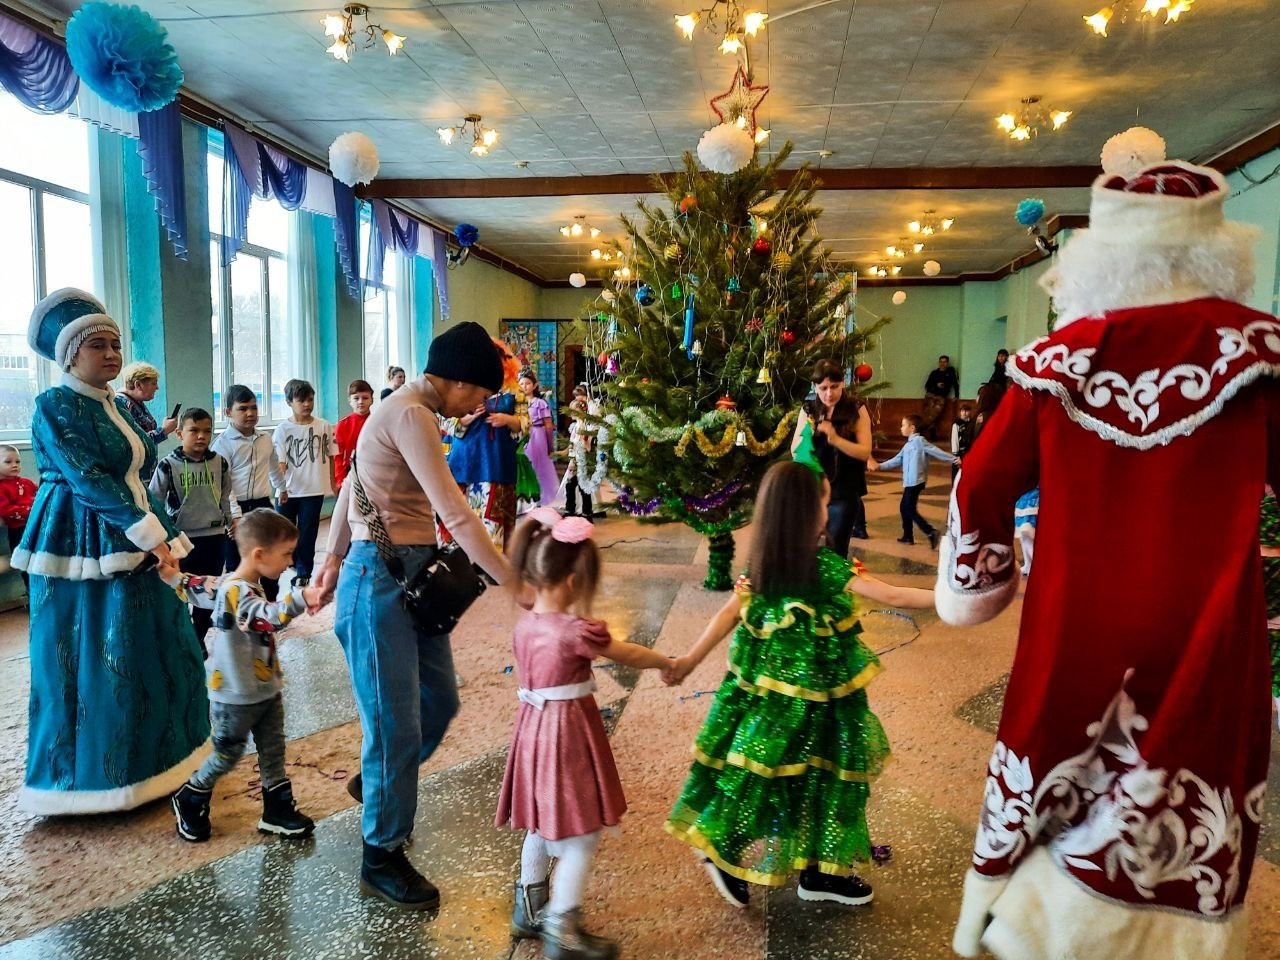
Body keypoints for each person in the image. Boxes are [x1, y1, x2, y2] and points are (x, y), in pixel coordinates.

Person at [939, 139, 1280, 959]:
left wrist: (977, 579)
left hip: (1077, 620)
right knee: (1192, 778)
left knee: (1057, 770)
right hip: (1211, 627)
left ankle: (1037, 924)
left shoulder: (1052, 364)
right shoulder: (1264, 355)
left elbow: (979, 485)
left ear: (1102, 254)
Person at [663, 460, 933, 909]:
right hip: (785, 713)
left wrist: (690, 661)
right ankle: (723, 853)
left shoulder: (767, 563)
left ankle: (819, 874)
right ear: (805, 513)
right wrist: (953, 595)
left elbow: (727, 613)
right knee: (773, 782)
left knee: (811, 782)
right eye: (823, 502)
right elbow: (894, 595)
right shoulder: (816, 565)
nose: (828, 509)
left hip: (819, 707)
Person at [314, 321, 515, 910]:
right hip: (378, 582)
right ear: (454, 380)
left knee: (439, 701)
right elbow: (454, 509)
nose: (480, 404)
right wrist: (515, 581)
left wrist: (328, 559)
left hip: (406, 578)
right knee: (395, 726)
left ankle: (378, 783)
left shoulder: (406, 410)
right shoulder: (411, 412)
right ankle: (382, 855)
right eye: (479, 392)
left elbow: (355, 484)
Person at [13, 289, 208, 815]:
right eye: (98, 345)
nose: (112, 354)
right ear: (70, 354)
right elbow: (87, 477)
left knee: (156, 642)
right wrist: (147, 531)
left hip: (128, 522)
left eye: (116, 344)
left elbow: (135, 474)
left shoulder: (116, 404)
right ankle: (93, 778)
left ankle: (164, 760)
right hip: (81, 534)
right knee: (99, 651)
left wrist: (161, 531)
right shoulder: (55, 404)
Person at [497, 508, 670, 959]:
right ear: (574, 581)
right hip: (565, 735)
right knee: (580, 835)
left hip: (531, 731)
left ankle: (530, 905)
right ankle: (562, 927)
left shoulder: (526, 624)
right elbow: (628, 653)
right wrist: (666, 662)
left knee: (539, 818)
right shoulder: (574, 631)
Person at [168, 509, 323, 843]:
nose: (288, 562)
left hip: (265, 689)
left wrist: (173, 577)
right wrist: (300, 598)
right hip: (235, 696)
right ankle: (191, 797)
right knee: (226, 754)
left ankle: (277, 811)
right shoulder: (238, 591)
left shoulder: (235, 585)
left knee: (273, 750)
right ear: (259, 554)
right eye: (285, 555)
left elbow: (199, 587)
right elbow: (267, 618)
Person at [150, 408, 235, 653]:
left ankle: (198, 638)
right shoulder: (168, 465)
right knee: (181, 591)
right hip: (181, 541)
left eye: (207, 431)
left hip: (214, 538)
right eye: (194, 431)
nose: (201, 436)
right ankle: (182, 637)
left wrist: (230, 522)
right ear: (179, 433)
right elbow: (154, 501)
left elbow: (226, 496)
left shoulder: (220, 462)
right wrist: (163, 537)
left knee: (207, 591)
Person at [440, 340, 522, 552]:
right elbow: (443, 421)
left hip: (496, 460)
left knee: (494, 513)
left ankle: (491, 561)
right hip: (463, 459)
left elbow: (527, 423)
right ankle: (458, 559)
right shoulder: (460, 384)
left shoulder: (514, 390)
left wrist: (507, 419)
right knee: (460, 512)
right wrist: (466, 418)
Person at [791, 359, 873, 552]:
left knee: (836, 549)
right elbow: (795, 451)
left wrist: (836, 439)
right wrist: (807, 436)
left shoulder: (856, 408)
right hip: (814, 489)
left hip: (844, 491)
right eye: (823, 388)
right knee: (804, 547)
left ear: (843, 382)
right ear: (815, 387)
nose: (829, 393)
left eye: (834, 387)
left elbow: (864, 452)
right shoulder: (809, 409)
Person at [212, 385, 284, 600]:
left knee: (270, 554)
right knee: (238, 561)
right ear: (228, 413)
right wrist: (235, 515)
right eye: (243, 409)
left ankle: (270, 605)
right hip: (237, 508)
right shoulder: (222, 445)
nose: (250, 413)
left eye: (253, 407)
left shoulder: (265, 438)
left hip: (263, 505)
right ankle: (242, 608)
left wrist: (281, 488)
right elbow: (225, 486)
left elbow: (273, 465)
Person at [273, 379, 335, 588]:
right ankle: (292, 562)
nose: (307, 404)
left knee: (309, 532)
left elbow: (333, 456)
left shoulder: (324, 426)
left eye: (310, 400)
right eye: (301, 400)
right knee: (284, 533)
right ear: (290, 402)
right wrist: (281, 488)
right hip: (288, 491)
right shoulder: (282, 429)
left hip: (313, 489)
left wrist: (333, 484)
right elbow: (280, 463)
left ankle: (304, 571)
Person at [868, 414, 956, 548]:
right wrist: (880, 466)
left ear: (912, 428)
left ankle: (930, 531)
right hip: (909, 482)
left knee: (908, 508)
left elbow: (936, 451)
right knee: (904, 508)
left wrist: (954, 459)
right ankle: (908, 535)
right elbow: (897, 460)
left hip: (916, 481)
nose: (901, 428)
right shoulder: (908, 445)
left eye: (903, 425)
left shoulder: (919, 441)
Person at [517, 369, 560, 507]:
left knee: (536, 465)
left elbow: (548, 426)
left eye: (528, 383)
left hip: (537, 436)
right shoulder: (516, 403)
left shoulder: (540, 403)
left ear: (534, 385)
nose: (524, 386)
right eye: (521, 383)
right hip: (521, 436)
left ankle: (538, 498)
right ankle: (523, 499)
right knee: (521, 466)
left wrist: (549, 445)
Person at [118, 360, 178, 451]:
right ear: (138, 385)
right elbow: (133, 443)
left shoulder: (137, 402)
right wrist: (164, 430)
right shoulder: (122, 405)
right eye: (153, 383)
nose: (157, 387)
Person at [0, 444, 36, 588]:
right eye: (8, 462)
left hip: (37, 526)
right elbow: (5, 509)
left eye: (17, 461)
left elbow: (41, 498)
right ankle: (33, 596)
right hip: (19, 531)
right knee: (26, 565)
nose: (14, 465)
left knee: (40, 562)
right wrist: (29, 510)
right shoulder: (1, 487)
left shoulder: (27, 483)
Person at [560, 385, 597, 518]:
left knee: (582, 486)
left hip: (581, 461)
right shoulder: (576, 427)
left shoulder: (584, 427)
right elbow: (572, 444)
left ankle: (586, 510)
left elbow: (582, 445)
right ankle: (571, 507)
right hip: (575, 460)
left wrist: (574, 460)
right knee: (571, 485)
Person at [335, 378, 374, 492]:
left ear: (371, 400)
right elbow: (338, 456)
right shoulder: (343, 425)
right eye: (356, 398)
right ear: (350, 401)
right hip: (350, 473)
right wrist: (339, 480)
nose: (361, 402)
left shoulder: (378, 421)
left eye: (365, 398)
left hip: (373, 471)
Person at [922, 354, 960, 439]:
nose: (942, 363)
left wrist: (956, 395)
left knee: (935, 414)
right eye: (941, 362)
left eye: (944, 362)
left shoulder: (950, 373)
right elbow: (927, 385)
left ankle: (922, 430)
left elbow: (955, 384)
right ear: (939, 363)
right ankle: (931, 431)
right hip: (930, 396)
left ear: (947, 363)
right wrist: (936, 385)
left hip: (941, 397)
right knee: (927, 414)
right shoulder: (934, 373)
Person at [950, 402, 974, 483]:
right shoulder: (957, 424)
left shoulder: (972, 423)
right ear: (960, 412)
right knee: (957, 473)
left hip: (969, 451)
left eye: (967, 411)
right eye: (963, 411)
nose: (964, 413)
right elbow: (954, 439)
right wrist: (956, 454)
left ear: (970, 412)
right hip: (960, 451)